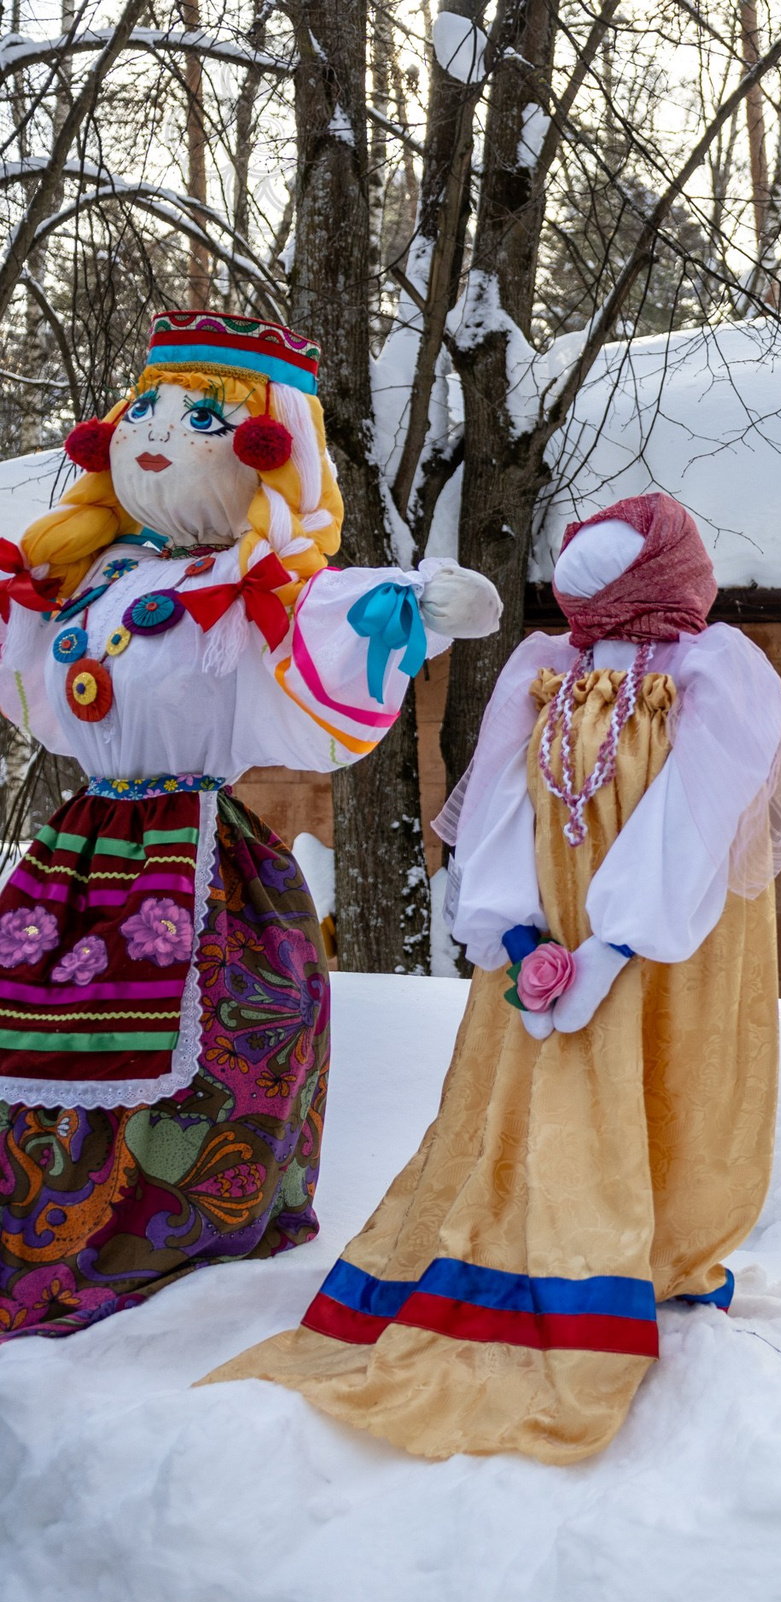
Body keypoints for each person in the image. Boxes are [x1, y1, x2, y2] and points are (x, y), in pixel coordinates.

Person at [206, 493, 781, 1463]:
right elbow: (499, 801)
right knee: (531, 1107)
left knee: (656, 1083)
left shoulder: (718, 670)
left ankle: (646, 1257)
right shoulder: (544, 667)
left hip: (657, 950)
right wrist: (517, 932)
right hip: (547, 937)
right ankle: (527, 1268)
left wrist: (615, 945)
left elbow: (698, 817)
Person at [0, 310, 498, 1342]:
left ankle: (169, 1218)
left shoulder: (247, 587)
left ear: (273, 452)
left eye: (201, 420)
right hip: (78, 852)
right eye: (147, 409)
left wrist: (410, 604)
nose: (157, 435)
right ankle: (41, 1206)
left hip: (196, 857)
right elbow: (33, 671)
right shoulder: (93, 575)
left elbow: (325, 613)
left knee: (217, 1024)